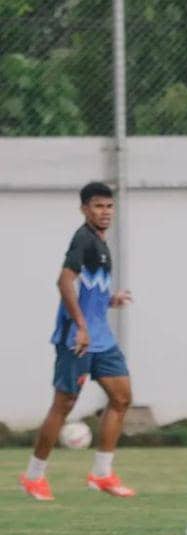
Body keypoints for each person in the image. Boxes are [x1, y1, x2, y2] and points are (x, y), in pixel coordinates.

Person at [20, 181, 136, 501]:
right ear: (85, 209)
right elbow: (64, 282)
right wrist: (81, 327)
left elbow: (87, 289)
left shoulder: (100, 242)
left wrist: (109, 300)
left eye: (109, 206)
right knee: (64, 404)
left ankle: (101, 474)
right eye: (98, 206)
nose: (105, 212)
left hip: (102, 338)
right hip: (78, 338)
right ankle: (33, 477)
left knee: (121, 398)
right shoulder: (83, 239)